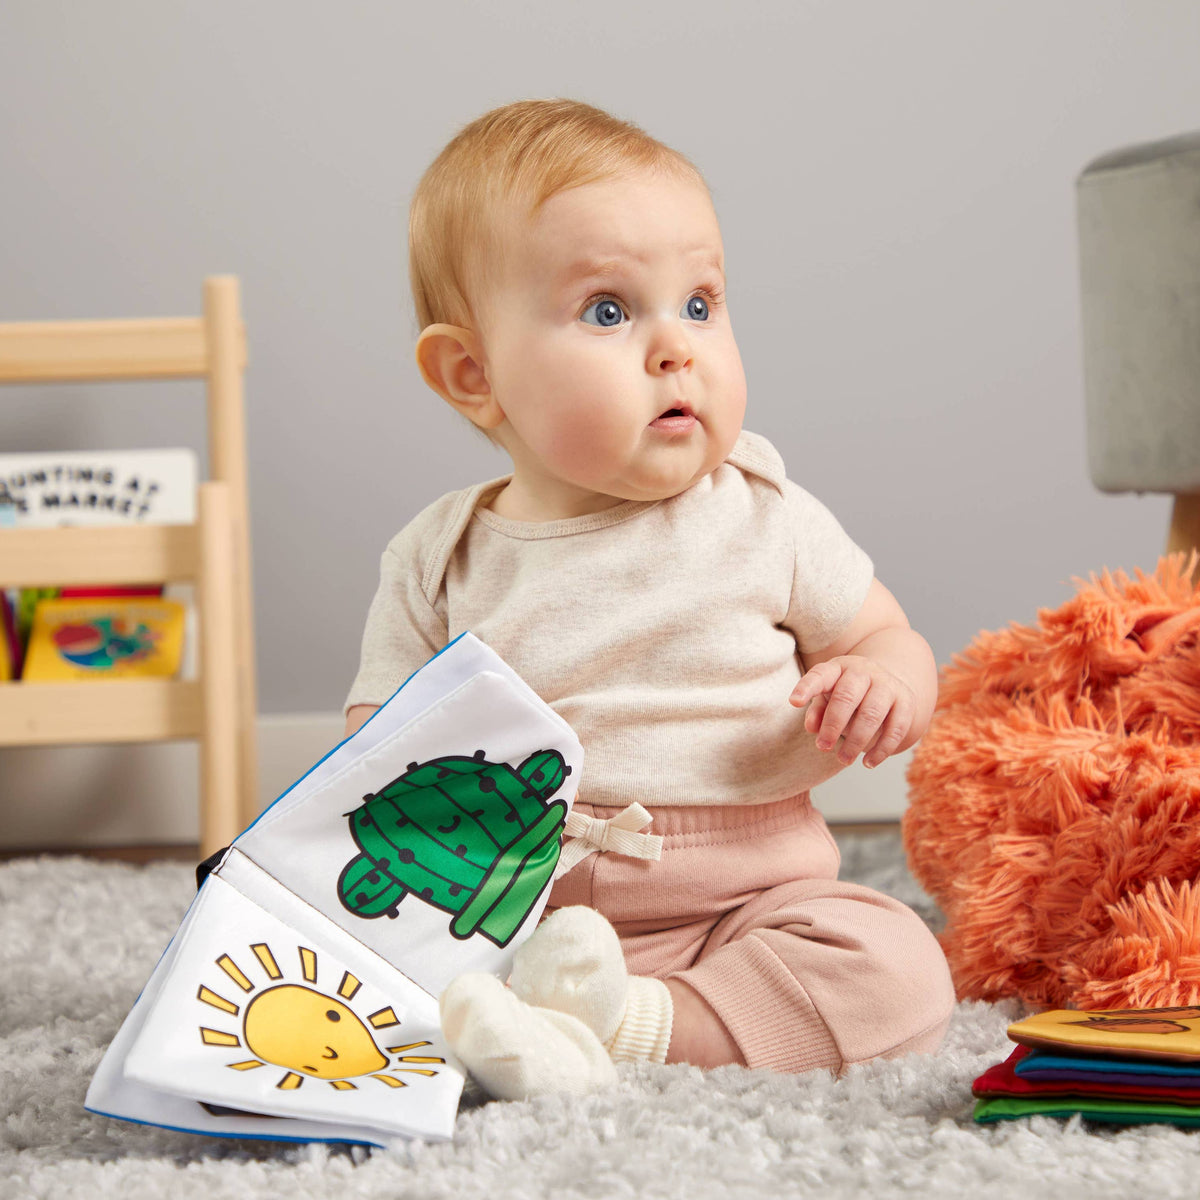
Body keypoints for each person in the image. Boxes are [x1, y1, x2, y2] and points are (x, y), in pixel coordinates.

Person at [343, 98, 955, 1100]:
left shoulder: (768, 516)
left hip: (745, 903)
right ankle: (521, 1014)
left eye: (702, 304)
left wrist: (883, 681)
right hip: (503, 905)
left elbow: (888, 632)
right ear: (473, 373)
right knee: (339, 967)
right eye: (610, 310)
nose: (677, 347)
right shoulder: (439, 557)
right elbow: (376, 748)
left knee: (897, 966)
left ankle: (635, 1025)